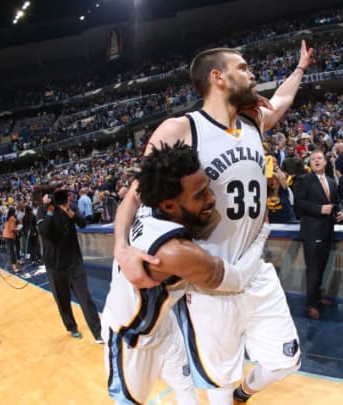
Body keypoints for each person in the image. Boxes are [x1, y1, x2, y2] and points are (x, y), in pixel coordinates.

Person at [113, 41, 312, 404]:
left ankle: (245, 392)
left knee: (286, 360)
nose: (252, 74)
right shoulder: (180, 128)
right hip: (208, 279)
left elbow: (281, 102)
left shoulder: (254, 121)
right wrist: (121, 248)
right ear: (217, 77)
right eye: (243, 67)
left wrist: (299, 69)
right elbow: (135, 194)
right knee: (216, 381)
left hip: (255, 270)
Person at [102, 142, 270, 405]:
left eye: (207, 188)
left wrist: (120, 244)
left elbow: (132, 196)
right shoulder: (174, 252)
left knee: (185, 389)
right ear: (168, 206)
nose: (211, 199)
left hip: (164, 324)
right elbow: (237, 280)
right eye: (199, 195)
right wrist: (261, 233)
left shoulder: (150, 199)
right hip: (131, 337)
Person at [38, 188, 102, 342]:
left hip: (74, 261)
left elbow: (83, 223)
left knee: (85, 298)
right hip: (54, 264)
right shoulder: (43, 210)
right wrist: (50, 210)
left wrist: (68, 210)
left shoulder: (71, 207)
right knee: (63, 300)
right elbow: (44, 231)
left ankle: (98, 332)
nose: (61, 199)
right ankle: (71, 327)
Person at [295, 150, 343, 319]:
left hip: (327, 231)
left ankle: (317, 297)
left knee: (322, 268)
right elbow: (299, 204)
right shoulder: (304, 180)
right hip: (311, 231)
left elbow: (336, 202)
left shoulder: (331, 181)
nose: (316, 161)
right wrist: (319, 209)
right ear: (310, 163)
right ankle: (311, 305)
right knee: (313, 270)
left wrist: (341, 212)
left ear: (325, 162)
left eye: (319, 158)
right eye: (313, 159)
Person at [2, 207, 19, 273]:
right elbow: (12, 228)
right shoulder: (12, 218)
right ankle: (15, 268)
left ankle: (15, 264)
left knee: (11, 251)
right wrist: (18, 229)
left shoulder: (8, 218)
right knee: (12, 252)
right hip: (9, 236)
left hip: (6, 236)